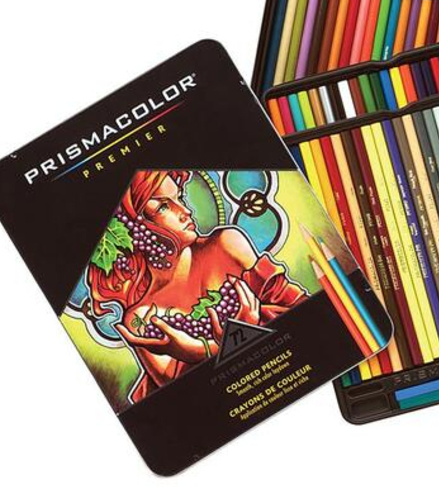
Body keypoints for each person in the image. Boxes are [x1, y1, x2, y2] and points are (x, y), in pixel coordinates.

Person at [87, 169, 307, 402]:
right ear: (132, 228)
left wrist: (206, 349)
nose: (185, 211)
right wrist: (235, 336)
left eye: (179, 197)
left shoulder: (228, 244)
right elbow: (193, 400)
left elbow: (306, 315)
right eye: (163, 207)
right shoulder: (141, 317)